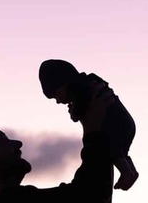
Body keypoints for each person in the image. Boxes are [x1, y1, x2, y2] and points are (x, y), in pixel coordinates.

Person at [39, 59, 138, 190]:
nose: (58, 101)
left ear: (63, 84)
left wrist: (74, 113)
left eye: (56, 95)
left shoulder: (83, 89)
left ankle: (127, 172)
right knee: (118, 151)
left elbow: (78, 113)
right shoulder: (90, 82)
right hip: (126, 123)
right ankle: (130, 169)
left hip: (114, 127)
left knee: (111, 148)